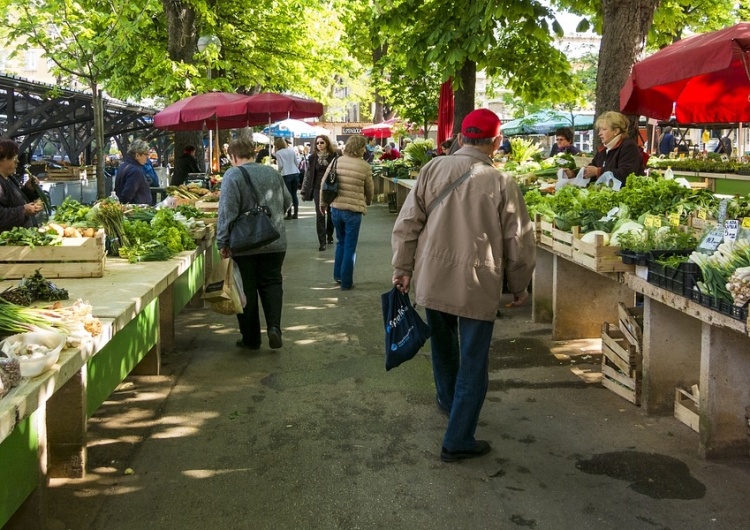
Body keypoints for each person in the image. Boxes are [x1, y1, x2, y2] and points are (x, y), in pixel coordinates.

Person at [391, 109, 536, 463]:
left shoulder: (432, 169)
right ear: (497, 142)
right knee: (474, 361)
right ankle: (458, 438)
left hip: (433, 276)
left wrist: (402, 267)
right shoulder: (502, 182)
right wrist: (519, 286)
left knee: (443, 347)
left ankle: (447, 399)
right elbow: (519, 241)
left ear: (459, 138)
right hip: (477, 282)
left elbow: (408, 222)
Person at [216, 137, 292, 351]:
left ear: (232, 156)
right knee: (272, 284)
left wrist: (222, 241)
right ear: (253, 153)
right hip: (275, 240)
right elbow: (287, 202)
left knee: (245, 289)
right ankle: (275, 328)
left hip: (245, 243)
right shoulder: (273, 172)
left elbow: (227, 212)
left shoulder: (233, 175)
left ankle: (251, 338)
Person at [320, 135, 373, 290]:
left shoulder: (337, 161)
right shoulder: (364, 166)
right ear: (359, 148)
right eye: (364, 147)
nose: (365, 149)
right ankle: (346, 282)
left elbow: (325, 182)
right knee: (350, 246)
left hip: (336, 209)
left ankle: (338, 275)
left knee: (341, 242)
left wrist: (323, 203)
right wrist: (367, 202)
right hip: (353, 212)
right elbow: (369, 189)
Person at [564, 111, 644, 187]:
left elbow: (626, 174)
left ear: (616, 131)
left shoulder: (628, 147)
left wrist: (598, 171)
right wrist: (573, 173)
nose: (599, 133)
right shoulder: (604, 149)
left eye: (604, 129)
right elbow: (592, 168)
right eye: (599, 130)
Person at [301, 135, 337, 251]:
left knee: (331, 214)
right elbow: (308, 174)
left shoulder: (334, 156)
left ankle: (329, 234)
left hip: (331, 188)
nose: (319, 145)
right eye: (317, 143)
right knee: (320, 214)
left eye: (322, 142)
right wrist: (304, 190)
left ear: (327, 143)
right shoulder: (313, 158)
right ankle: (322, 242)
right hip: (317, 188)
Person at [0, 139, 42, 232]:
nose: (17, 162)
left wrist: (28, 189)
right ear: (3, 160)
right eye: (14, 158)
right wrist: (23, 210)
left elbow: (14, 201)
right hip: (7, 243)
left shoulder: (9, 178)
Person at [114, 139, 153, 205]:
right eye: (146, 155)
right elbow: (127, 195)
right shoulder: (135, 171)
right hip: (136, 210)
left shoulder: (123, 166)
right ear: (137, 155)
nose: (147, 158)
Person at [273, 138, 301, 220]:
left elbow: (281, 165)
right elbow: (296, 162)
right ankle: (296, 213)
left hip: (286, 174)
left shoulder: (278, 153)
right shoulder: (291, 151)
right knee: (294, 194)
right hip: (295, 173)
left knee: (287, 195)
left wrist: (278, 172)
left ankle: (289, 214)